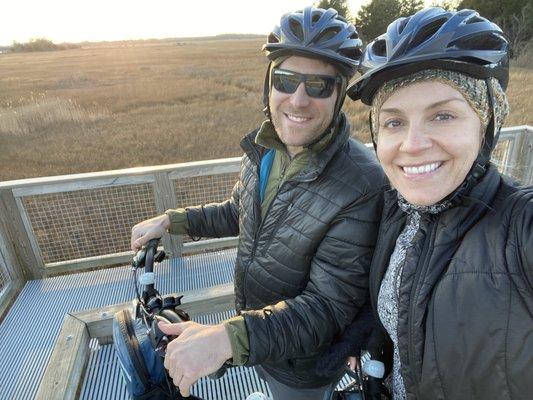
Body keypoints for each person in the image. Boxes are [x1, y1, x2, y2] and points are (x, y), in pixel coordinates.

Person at [130, 6, 385, 400]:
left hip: (303, 362)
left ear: (339, 97)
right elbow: (239, 212)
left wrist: (227, 338)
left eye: (318, 86)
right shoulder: (267, 149)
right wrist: (171, 221)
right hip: (259, 333)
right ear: (269, 85)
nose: (298, 100)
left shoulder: (362, 184)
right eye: (285, 80)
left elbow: (325, 308)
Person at [345, 7, 533, 400]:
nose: (412, 145)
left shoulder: (519, 226)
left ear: (488, 124)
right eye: (394, 122)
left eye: (443, 115)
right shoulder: (398, 210)